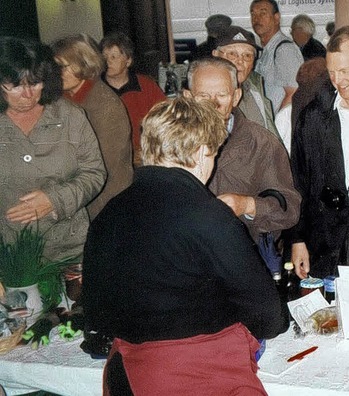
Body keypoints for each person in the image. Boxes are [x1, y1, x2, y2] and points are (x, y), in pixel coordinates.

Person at [82, 96, 282, 395]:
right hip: (197, 377)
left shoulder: (107, 215)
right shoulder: (209, 215)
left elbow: (96, 314)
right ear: (202, 153)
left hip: (128, 378)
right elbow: (269, 317)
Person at [0, 37, 106, 283]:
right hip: (10, 256)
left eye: (35, 83)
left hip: (69, 249)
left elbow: (95, 173)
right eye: (15, 85)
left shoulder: (70, 116)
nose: (27, 95)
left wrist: (54, 200)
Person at [288, 26, 349, 280]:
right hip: (326, 244)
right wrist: (297, 239)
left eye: (344, 71)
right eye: (332, 72)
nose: (337, 80)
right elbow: (298, 180)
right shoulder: (313, 117)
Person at [184, 57, 301, 263]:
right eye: (203, 96)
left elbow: (289, 209)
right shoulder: (172, 143)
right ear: (188, 97)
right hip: (188, 259)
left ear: (236, 96)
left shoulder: (262, 143)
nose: (214, 103)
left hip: (245, 259)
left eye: (222, 94)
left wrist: (247, 205)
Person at [51, 34, 133, 220]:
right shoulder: (60, 99)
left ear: (84, 64)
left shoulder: (105, 105)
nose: (56, 73)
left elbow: (102, 166)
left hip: (104, 204)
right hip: (74, 198)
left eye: (62, 67)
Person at [99, 31, 166, 167]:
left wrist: (147, 151)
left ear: (128, 61)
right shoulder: (95, 90)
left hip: (143, 158)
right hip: (106, 160)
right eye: (104, 57)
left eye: (114, 57)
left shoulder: (146, 86)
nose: (108, 61)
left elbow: (164, 121)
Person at [212, 25, 280, 139]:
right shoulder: (206, 95)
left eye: (247, 55)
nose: (240, 61)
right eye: (232, 54)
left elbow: (270, 133)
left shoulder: (254, 88)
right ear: (216, 55)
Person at [251, 0, 304, 112]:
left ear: (276, 18)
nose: (256, 19)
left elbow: (293, 93)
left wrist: (276, 126)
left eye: (263, 13)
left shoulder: (284, 50)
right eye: (253, 14)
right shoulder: (266, 50)